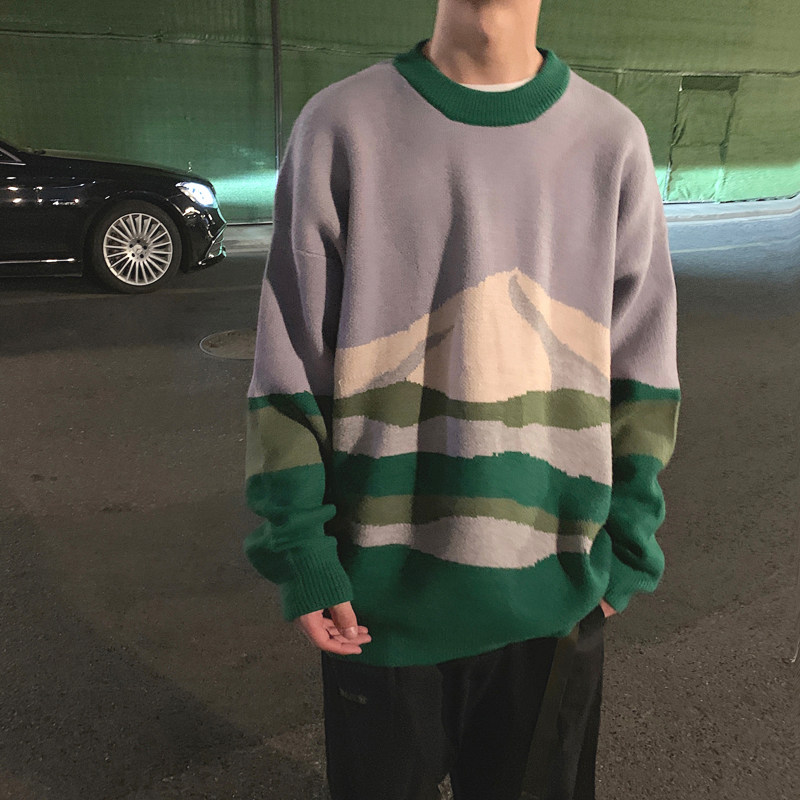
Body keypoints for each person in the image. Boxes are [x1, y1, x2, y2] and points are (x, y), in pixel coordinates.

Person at [243, 1, 681, 798]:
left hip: (555, 603)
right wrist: (302, 551)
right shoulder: (340, 126)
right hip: (376, 605)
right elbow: (291, 364)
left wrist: (626, 550)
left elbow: (642, 367)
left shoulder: (612, 141)